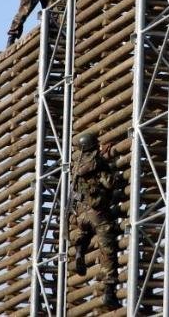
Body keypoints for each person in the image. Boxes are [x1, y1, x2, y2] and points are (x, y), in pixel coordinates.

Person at [69, 132, 119, 310]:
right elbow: (109, 183)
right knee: (108, 249)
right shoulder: (97, 163)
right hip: (96, 212)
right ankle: (109, 291)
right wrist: (112, 169)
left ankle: (80, 246)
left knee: (86, 231)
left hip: (80, 214)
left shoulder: (76, 163)